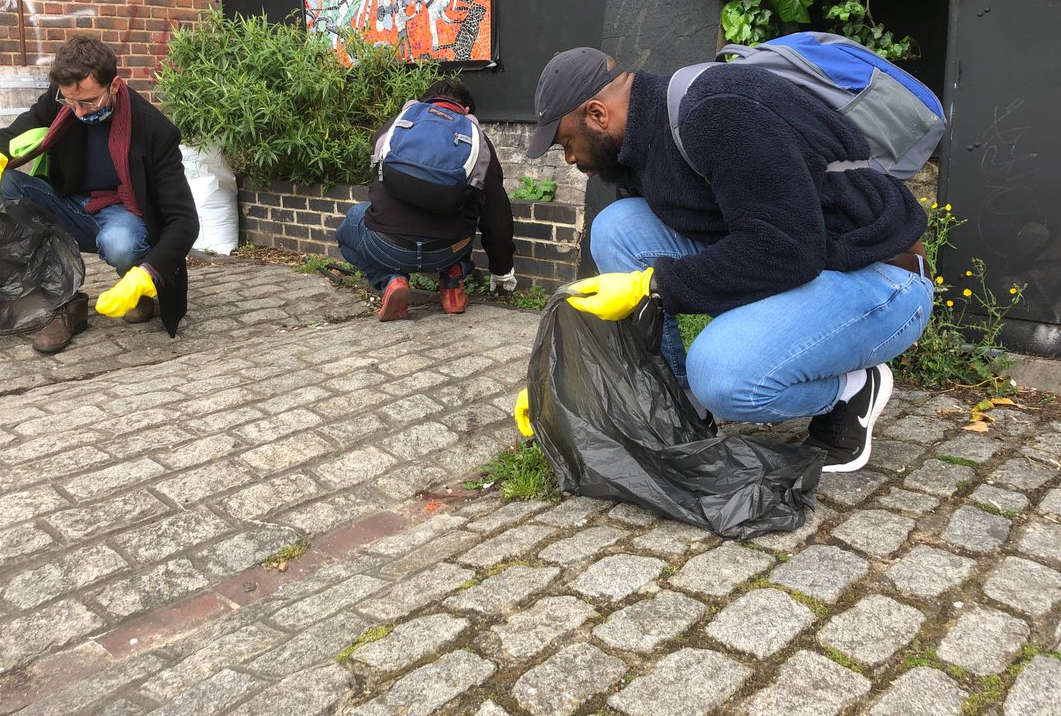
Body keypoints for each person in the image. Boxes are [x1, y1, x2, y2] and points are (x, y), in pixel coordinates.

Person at [524, 46, 934, 473]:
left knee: (721, 376)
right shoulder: (638, 147)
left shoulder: (717, 112)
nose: (570, 159)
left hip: (879, 275)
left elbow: (788, 250)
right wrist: (564, 385)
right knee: (617, 228)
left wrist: (653, 285)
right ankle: (683, 407)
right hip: (806, 261)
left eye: (566, 143)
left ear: (597, 115)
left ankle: (851, 390)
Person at [0, 36, 200, 353]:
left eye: (88, 102)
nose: (77, 111)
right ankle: (65, 304)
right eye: (70, 102)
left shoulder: (154, 130)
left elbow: (185, 221)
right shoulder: (61, 100)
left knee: (120, 244)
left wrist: (148, 274)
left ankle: (134, 289)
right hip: (68, 203)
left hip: (121, 211)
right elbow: (8, 135)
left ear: (113, 85)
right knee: (4, 185)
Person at [337, 78, 517, 321]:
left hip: (388, 246)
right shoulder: (478, 141)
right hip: (448, 250)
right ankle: (453, 279)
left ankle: (390, 280)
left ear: (425, 101)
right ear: (466, 111)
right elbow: (495, 212)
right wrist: (502, 269)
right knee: (468, 207)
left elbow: (376, 186)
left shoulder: (396, 125)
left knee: (349, 225)